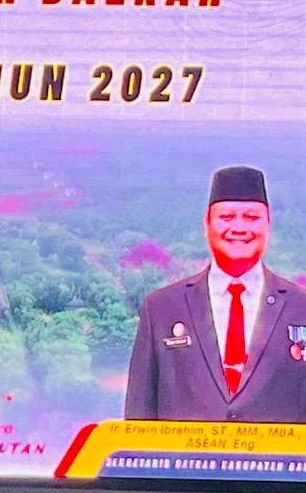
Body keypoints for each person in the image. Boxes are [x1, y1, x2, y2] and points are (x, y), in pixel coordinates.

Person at [126, 165, 306, 422]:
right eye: (227, 217)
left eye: (252, 217)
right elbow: (138, 417)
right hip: (183, 450)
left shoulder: (300, 306)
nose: (239, 228)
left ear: (268, 224)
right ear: (207, 223)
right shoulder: (161, 309)